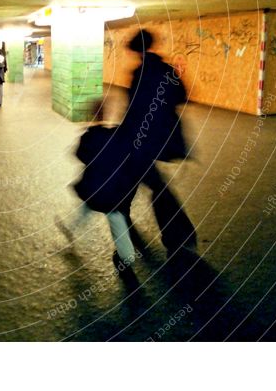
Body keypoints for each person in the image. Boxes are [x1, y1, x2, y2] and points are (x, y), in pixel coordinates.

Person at [118, 29, 197, 256]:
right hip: (162, 136)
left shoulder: (139, 73)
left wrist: (123, 133)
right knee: (145, 179)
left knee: (144, 180)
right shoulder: (166, 69)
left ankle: (175, 232)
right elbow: (182, 96)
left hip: (141, 137)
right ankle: (177, 233)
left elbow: (134, 108)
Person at [59, 101, 139, 281]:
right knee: (117, 224)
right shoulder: (118, 135)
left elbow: (79, 155)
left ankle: (71, 228)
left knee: (88, 206)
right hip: (114, 194)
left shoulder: (88, 138)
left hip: (93, 190)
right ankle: (127, 257)